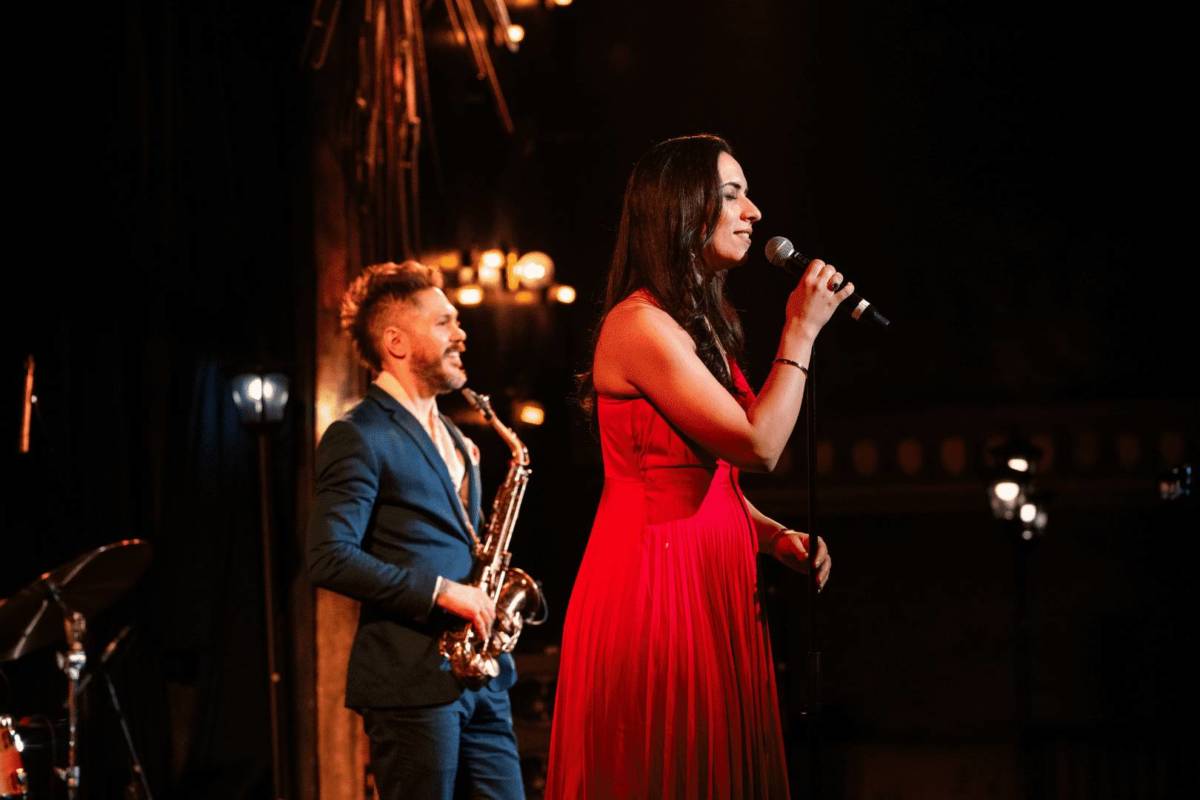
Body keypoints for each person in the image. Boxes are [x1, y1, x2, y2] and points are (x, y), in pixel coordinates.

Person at [545, 134, 848, 798]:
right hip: (656, 581)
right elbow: (759, 446)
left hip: (713, 577)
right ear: (683, 209)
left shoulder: (698, 326)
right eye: (733, 194)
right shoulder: (640, 328)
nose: (754, 212)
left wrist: (771, 535)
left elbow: (712, 479)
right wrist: (800, 332)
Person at [306, 261, 523, 800]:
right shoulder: (357, 434)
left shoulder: (454, 437)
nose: (461, 333)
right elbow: (329, 555)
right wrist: (447, 593)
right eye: (444, 322)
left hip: (480, 675)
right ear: (396, 342)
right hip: (410, 684)